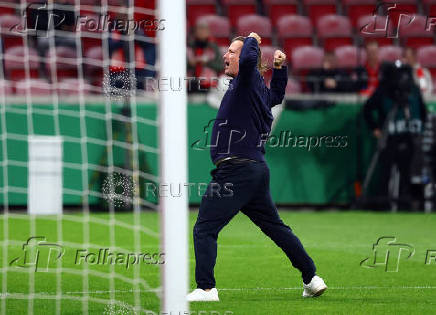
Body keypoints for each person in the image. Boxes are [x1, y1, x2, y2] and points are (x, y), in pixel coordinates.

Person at [187, 32, 327, 302]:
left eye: (231, 52)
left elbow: (251, 56)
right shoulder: (254, 89)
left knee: (204, 228)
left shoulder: (247, 78)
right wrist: (280, 69)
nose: (225, 56)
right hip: (255, 171)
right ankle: (312, 278)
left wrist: (252, 39)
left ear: (247, 58)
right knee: (276, 228)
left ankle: (206, 289)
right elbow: (276, 95)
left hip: (236, 170)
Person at [363, 62, 427, 210]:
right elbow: (367, 109)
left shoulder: (414, 91)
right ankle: (383, 204)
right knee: (385, 173)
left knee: (408, 174)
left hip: (409, 137)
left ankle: (405, 205)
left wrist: (418, 129)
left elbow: (423, 112)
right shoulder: (384, 91)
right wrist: (375, 128)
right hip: (389, 138)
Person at [187, 21, 223, 93]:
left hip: (209, 83)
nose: (201, 32)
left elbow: (221, 66)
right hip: (190, 82)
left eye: (204, 29)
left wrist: (207, 63)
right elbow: (179, 66)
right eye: (199, 29)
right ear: (195, 32)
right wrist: (190, 63)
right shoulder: (189, 46)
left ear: (208, 32)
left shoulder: (213, 48)